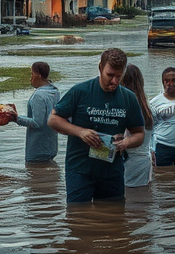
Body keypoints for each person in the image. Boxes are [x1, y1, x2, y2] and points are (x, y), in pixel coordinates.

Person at [48, 48, 146, 203]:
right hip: (80, 170)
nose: (114, 81)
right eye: (110, 75)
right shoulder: (80, 91)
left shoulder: (129, 98)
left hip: (112, 172)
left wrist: (127, 142)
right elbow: (53, 120)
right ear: (100, 68)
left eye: (118, 77)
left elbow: (139, 134)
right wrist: (80, 132)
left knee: (113, 219)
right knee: (78, 217)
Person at [14, 61, 60, 163]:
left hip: (37, 148)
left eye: (32, 74)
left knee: (34, 175)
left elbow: (37, 122)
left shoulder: (38, 96)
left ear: (38, 76)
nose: (31, 78)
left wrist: (15, 118)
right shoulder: (55, 92)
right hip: (51, 146)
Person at [121, 65, 155, 187]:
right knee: (143, 201)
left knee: (126, 201)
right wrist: (152, 149)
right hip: (144, 161)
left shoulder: (124, 105)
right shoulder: (148, 107)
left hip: (127, 162)